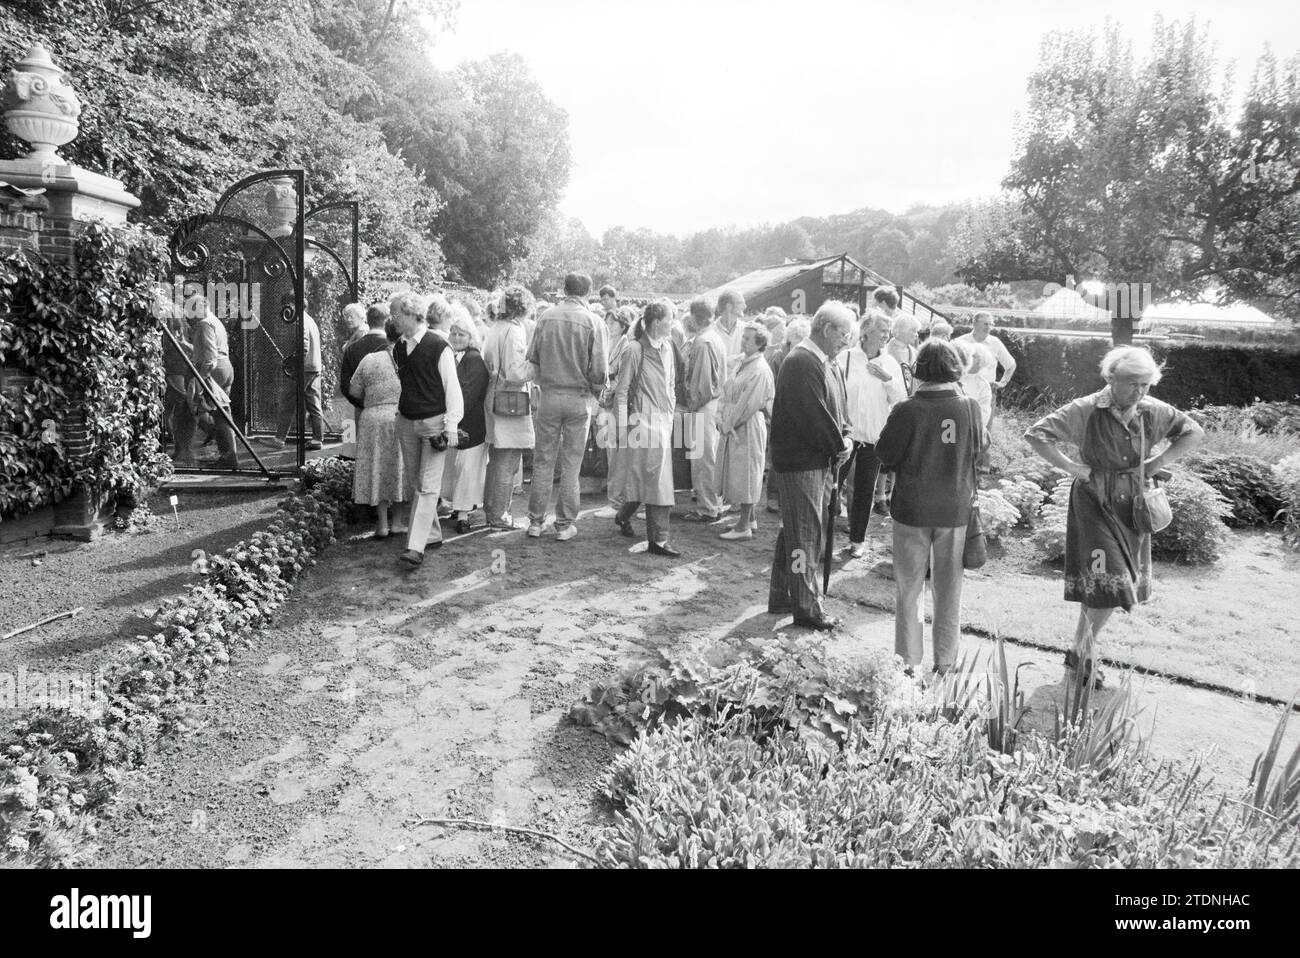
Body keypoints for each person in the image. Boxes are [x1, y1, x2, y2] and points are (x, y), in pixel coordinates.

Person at [1025, 346, 1203, 689]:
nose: (1140, 392)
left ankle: (1077, 650)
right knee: (1109, 580)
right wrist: (1073, 467)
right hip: (1094, 503)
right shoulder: (1086, 409)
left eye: (1146, 385)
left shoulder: (1153, 411)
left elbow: (1193, 432)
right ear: (1111, 378)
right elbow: (1036, 434)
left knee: (1101, 584)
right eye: (1133, 383)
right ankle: (1088, 655)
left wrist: (1158, 463)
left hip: (1132, 508)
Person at [875, 340, 987, 677]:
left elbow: (885, 455)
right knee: (950, 590)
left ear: (919, 369)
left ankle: (908, 663)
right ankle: (946, 661)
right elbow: (980, 450)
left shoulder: (907, 410)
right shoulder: (969, 407)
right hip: (954, 510)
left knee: (909, 589)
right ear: (955, 368)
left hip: (912, 510)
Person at [767, 302, 855, 631]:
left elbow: (840, 410)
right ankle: (806, 607)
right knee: (804, 534)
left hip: (818, 460)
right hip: (801, 462)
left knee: (795, 529)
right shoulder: (802, 361)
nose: (846, 340)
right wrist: (839, 444)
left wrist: (845, 438)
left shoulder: (828, 363)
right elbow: (814, 415)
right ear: (827, 329)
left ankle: (782, 594)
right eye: (843, 334)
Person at [525, 272, 607, 540]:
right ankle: (563, 524)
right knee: (572, 463)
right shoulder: (594, 321)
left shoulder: (546, 317)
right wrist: (595, 394)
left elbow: (533, 359)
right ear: (588, 292)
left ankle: (536, 522)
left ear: (564, 289)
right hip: (578, 397)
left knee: (543, 460)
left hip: (549, 395)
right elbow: (599, 371)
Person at [392, 291, 464, 566]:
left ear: (411, 314)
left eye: (396, 313)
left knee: (427, 486)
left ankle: (415, 547)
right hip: (407, 422)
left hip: (435, 424)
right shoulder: (399, 346)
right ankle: (431, 534)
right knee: (416, 484)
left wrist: (452, 426)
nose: (393, 318)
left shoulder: (438, 345)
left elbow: (453, 389)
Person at [835, 309, 906, 558]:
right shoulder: (845, 358)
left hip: (873, 436)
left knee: (865, 490)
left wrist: (886, 378)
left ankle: (857, 540)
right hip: (844, 435)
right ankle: (821, 536)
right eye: (882, 331)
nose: (886, 336)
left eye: (888, 331)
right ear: (866, 331)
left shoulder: (890, 364)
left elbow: (900, 401)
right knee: (833, 485)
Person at [613, 300, 681, 557]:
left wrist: (670, 414)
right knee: (656, 480)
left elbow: (671, 385)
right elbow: (621, 392)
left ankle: (623, 516)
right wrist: (621, 427)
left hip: (662, 422)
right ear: (655, 322)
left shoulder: (668, 346)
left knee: (647, 479)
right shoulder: (633, 349)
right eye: (669, 320)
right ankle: (659, 539)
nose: (672, 324)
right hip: (640, 423)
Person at [482, 285, 537, 530]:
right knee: (508, 461)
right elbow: (516, 372)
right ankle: (499, 515)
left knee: (496, 460)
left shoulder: (495, 328)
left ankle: (492, 511)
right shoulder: (514, 331)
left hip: (493, 397)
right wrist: (536, 366)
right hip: (511, 401)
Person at [348, 318, 407, 538]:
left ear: (386, 333)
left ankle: (381, 525)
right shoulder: (407, 359)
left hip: (371, 418)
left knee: (377, 469)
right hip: (399, 416)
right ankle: (398, 522)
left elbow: (354, 391)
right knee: (396, 469)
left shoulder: (369, 359)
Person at [717, 323, 775, 541]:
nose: (743, 342)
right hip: (733, 423)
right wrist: (720, 417)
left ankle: (743, 527)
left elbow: (748, 403)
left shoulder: (760, 369)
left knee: (748, 472)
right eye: (743, 338)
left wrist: (728, 423)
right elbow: (727, 391)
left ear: (760, 343)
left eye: (748, 339)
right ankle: (748, 518)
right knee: (739, 471)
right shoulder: (742, 363)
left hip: (748, 425)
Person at [441, 306, 491, 534]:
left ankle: (462, 513)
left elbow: (468, 395)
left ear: (471, 337)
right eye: (454, 333)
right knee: (455, 468)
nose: (457, 338)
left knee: (467, 470)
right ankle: (457, 508)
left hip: (469, 424)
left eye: (462, 334)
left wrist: (452, 417)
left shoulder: (474, 360)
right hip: (457, 423)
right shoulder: (452, 356)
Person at [682, 296, 727, 522]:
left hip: (703, 405)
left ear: (693, 316)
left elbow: (703, 384)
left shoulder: (703, 341)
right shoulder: (712, 337)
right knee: (705, 456)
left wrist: (692, 405)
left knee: (703, 459)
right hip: (709, 404)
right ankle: (710, 504)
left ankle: (707, 507)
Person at [954, 311, 1017, 469]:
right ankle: (959, 463)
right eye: (985, 324)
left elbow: (1010, 364)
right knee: (958, 427)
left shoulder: (994, 343)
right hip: (962, 388)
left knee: (983, 428)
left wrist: (1002, 382)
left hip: (987, 390)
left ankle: (981, 467)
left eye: (991, 324)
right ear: (974, 323)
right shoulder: (961, 342)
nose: (988, 327)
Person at [263, 294, 324, 451]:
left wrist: (294, 365)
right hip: (314, 367)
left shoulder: (300, 321)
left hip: (303, 369)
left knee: (287, 402)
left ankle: (279, 440)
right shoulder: (309, 319)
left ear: (292, 304)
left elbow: (303, 346)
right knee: (313, 404)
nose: (284, 308)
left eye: (286, 305)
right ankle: (317, 439)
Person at [186, 294, 239, 470]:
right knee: (222, 414)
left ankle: (228, 458)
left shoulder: (204, 324)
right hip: (225, 368)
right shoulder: (215, 321)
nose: (190, 314)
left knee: (219, 414)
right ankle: (228, 454)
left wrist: (201, 379)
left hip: (214, 371)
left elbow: (210, 356)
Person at [595, 305, 635, 520]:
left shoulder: (626, 346)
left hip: (617, 405)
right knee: (613, 452)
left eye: (613, 323)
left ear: (623, 325)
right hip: (608, 402)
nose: (609, 326)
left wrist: (608, 392)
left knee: (618, 454)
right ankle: (616, 498)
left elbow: (621, 379)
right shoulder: (610, 343)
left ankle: (616, 501)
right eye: (607, 322)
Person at [341, 303, 391, 429]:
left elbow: (345, 383)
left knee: (361, 444)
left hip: (362, 407)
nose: (348, 319)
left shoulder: (352, 348)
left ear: (366, 319)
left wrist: (361, 403)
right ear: (387, 321)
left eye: (351, 316)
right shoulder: (394, 347)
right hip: (390, 410)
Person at [160, 303, 196, 466]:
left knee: (179, 403)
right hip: (176, 366)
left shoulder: (171, 315)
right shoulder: (177, 312)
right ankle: (174, 443)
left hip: (174, 366)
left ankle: (212, 428)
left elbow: (174, 339)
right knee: (169, 407)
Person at [715, 288, 746, 359]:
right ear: (729, 306)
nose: (745, 306)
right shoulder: (711, 332)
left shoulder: (746, 329)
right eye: (741, 303)